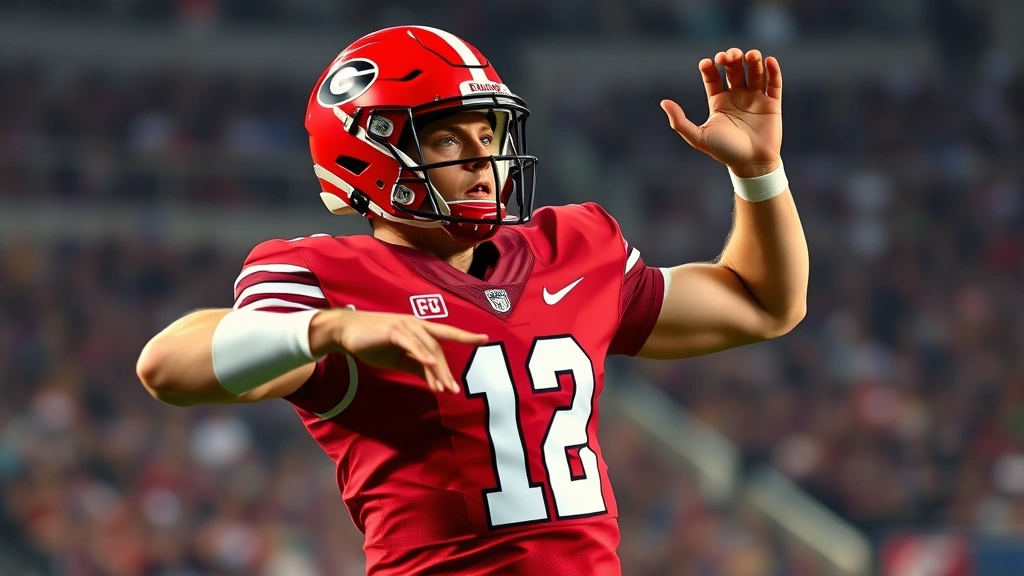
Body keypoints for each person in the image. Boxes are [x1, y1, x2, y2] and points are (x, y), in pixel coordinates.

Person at [136, 25, 808, 575]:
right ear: (368, 154)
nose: (481, 158)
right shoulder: (326, 276)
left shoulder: (571, 245)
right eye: (447, 139)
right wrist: (328, 330)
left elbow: (762, 304)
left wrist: (758, 173)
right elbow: (166, 366)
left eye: (488, 135)